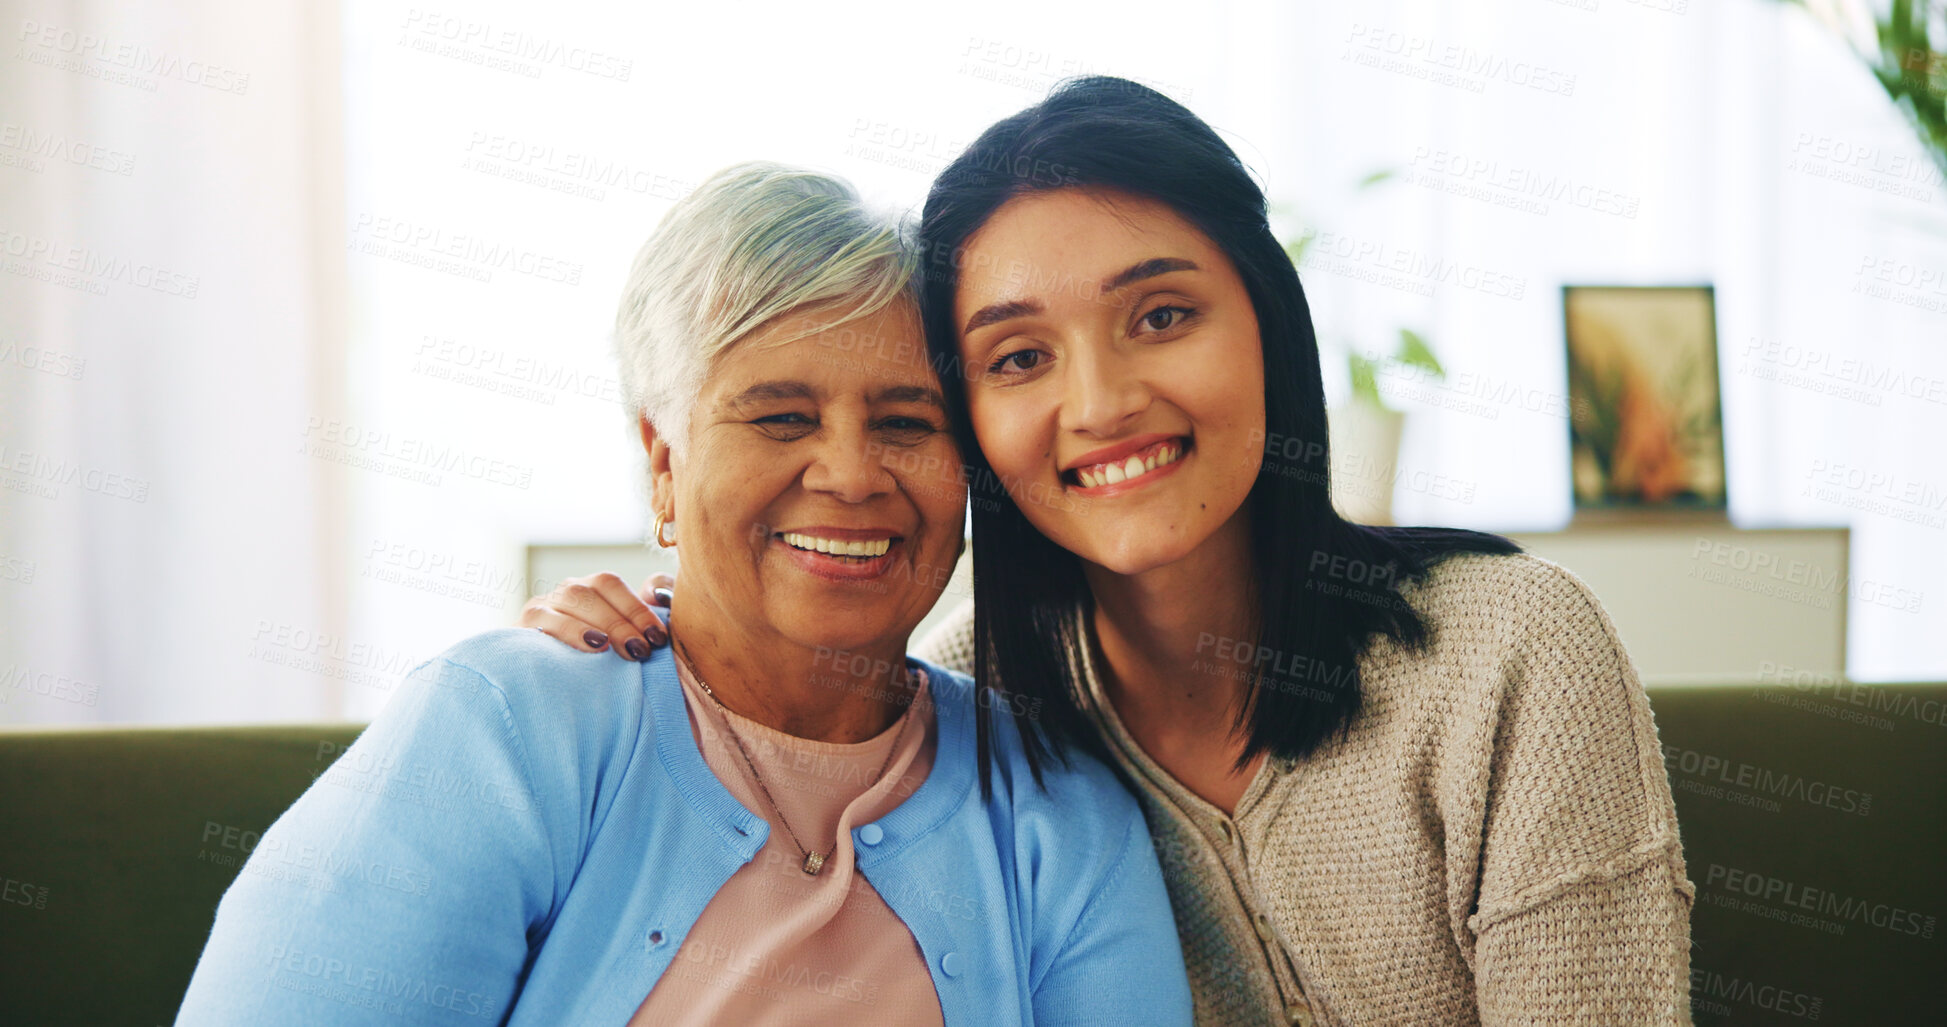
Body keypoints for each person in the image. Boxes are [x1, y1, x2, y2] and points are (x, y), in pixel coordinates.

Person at [524, 80, 1695, 1025]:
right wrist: (622, 650)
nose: (1102, 403)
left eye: (1162, 317)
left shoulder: (1509, 656)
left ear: (1266, 328)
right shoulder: (962, 708)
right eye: (1019, 357)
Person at [176, 161, 1192, 1026]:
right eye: (781, 417)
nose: (849, 473)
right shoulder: (506, 727)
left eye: (908, 422)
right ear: (663, 463)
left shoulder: (1062, 809)